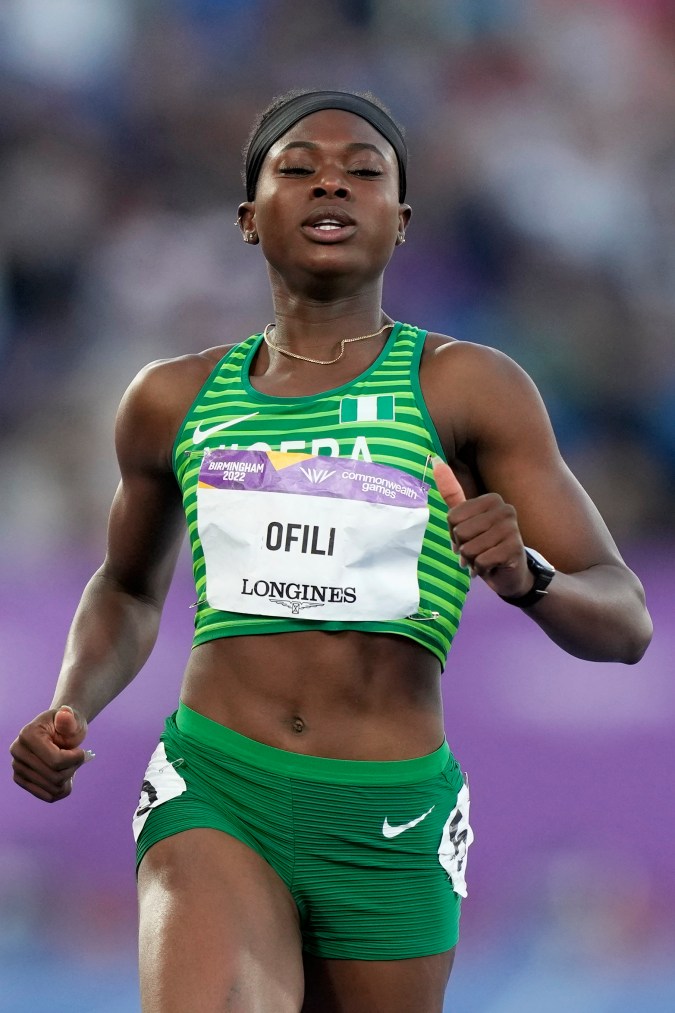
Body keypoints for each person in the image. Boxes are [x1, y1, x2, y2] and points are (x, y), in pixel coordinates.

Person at [10, 89, 653, 1013]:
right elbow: (127, 586)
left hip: (388, 812)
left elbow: (624, 619)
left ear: (400, 222)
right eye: (298, 165)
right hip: (218, 779)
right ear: (247, 218)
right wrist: (70, 706)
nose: (331, 184)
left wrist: (526, 576)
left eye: (364, 172)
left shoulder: (466, 385)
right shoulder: (169, 398)